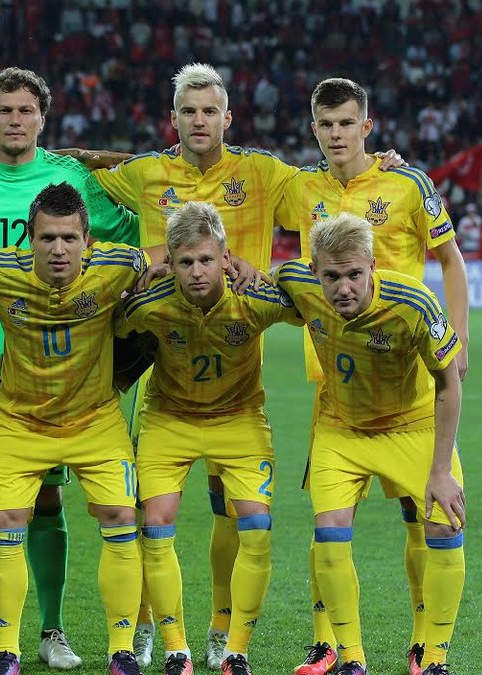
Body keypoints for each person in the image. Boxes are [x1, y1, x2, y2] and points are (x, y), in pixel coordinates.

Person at [90, 63, 402, 671]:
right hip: (166, 361)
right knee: (155, 513)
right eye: (188, 111)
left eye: (210, 111)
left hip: (238, 365)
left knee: (231, 511)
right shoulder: (145, 173)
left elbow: (328, 180)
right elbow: (77, 174)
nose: (199, 121)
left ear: (227, 118)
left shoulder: (262, 173)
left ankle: (221, 627)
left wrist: (377, 163)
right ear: (173, 119)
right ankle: (149, 623)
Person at [0, 66, 139, 671]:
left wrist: (104, 160)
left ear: (43, 118)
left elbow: (135, 223)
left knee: (46, 502)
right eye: (4, 110)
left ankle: (51, 629)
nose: (15, 120)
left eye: (26, 111)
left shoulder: (70, 177)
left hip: (54, 373)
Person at [274, 77, 470, 675]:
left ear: (367, 126)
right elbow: (224, 178)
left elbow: (451, 259)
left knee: (421, 514)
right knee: (333, 520)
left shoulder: (407, 183)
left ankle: (424, 643)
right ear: (313, 128)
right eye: (326, 124)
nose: (336, 134)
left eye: (346, 123)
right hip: (334, 376)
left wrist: (459, 338)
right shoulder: (299, 186)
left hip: (406, 366)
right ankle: (329, 643)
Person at [0, 182, 160, 675]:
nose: (58, 249)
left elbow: (171, 251)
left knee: (121, 514)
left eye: (70, 238)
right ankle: (6, 651)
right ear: (30, 238)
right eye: (47, 237)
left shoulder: (118, 263)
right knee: (4, 520)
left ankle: (121, 651)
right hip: (20, 422)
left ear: (88, 240)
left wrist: (222, 262)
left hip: (94, 420)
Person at [116, 202, 300, 675]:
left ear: (226, 257)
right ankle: (174, 647)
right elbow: (110, 326)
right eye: (185, 262)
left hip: (238, 420)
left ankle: (232, 643)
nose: (196, 272)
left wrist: (274, 273)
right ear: (170, 262)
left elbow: (308, 302)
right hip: (169, 419)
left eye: (206, 260)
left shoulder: (254, 297)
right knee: (156, 523)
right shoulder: (150, 302)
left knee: (256, 525)